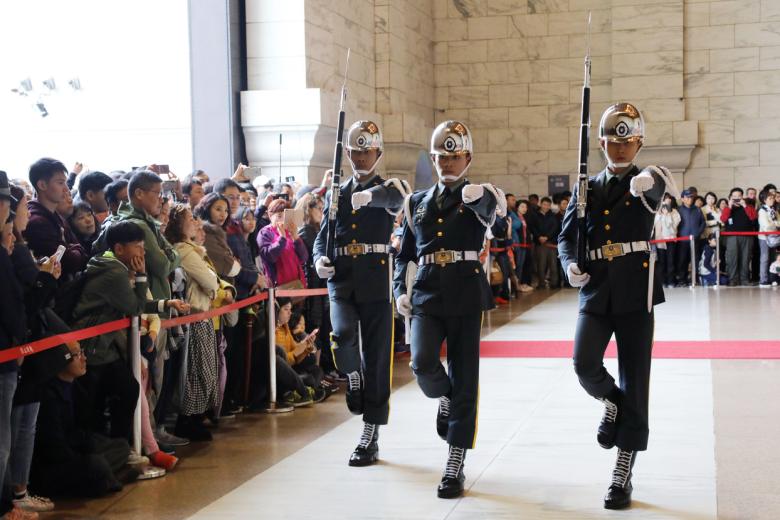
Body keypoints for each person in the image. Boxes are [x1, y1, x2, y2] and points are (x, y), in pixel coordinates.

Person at [558, 103, 669, 510]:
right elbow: (566, 236)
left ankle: (623, 470)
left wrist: (648, 182)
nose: (620, 148)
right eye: (613, 142)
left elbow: (660, 185)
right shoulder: (585, 187)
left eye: (628, 142)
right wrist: (569, 263)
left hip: (636, 289)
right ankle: (614, 403)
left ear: (638, 143)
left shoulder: (647, 180)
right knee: (584, 363)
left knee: (635, 376)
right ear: (601, 144)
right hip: (596, 287)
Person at [394, 120, 504, 499]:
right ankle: (445, 397)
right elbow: (405, 254)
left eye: (454, 157)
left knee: (465, 375)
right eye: (441, 157)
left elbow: (495, 210)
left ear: (467, 158)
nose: (447, 163)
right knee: (422, 362)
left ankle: (455, 460)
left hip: (465, 292)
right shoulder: (417, 202)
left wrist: (483, 198)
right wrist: (399, 289)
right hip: (427, 290)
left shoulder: (477, 196)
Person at [312, 120, 410, 467]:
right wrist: (319, 259)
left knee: (378, 358)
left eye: (366, 151)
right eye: (354, 151)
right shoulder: (336, 192)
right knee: (341, 336)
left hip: (375, 280)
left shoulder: (389, 187)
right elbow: (323, 236)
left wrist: (368, 197)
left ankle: (370, 433)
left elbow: (397, 198)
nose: (360, 157)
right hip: (341, 278)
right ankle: (352, 376)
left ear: (378, 152)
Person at [72, 221, 189, 442]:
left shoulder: (111, 264)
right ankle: (115, 448)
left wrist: (166, 304)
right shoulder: (114, 272)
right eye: (138, 246)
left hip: (104, 346)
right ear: (119, 248)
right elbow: (135, 307)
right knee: (101, 402)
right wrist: (142, 276)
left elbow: (133, 303)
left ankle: (119, 447)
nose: (143, 253)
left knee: (124, 390)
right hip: (93, 346)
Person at [29, 342, 139, 499]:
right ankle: (108, 479)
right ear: (62, 359)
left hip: (76, 448)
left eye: (82, 351)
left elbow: (84, 429)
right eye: (77, 355)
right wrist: (84, 455)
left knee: (122, 447)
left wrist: (89, 445)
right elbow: (55, 448)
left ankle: (105, 477)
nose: (84, 358)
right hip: (56, 463)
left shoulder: (76, 388)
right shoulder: (49, 397)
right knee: (95, 464)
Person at [24, 158, 89, 279]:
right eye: (60, 183)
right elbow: (69, 262)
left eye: (65, 182)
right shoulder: (37, 221)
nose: (66, 188)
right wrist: (74, 248)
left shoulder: (54, 214)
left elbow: (80, 250)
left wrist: (73, 248)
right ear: (42, 185)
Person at [258, 199, 307, 288]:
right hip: (278, 286)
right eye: (279, 216)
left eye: (286, 216)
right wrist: (282, 238)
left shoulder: (290, 231)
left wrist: (296, 237)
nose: (283, 220)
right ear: (270, 215)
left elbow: (303, 258)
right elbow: (270, 256)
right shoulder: (264, 232)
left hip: (297, 282)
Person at [720, 187, 758, 286]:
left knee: (746, 258)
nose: (737, 198)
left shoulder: (748, 206)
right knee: (732, 258)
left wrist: (744, 205)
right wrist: (729, 206)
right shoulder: (727, 208)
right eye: (734, 196)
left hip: (747, 236)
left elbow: (753, 217)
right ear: (730, 197)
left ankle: (744, 279)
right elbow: (723, 219)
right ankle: (733, 279)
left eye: (739, 196)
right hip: (731, 237)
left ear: (742, 197)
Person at [675, 189, 705, 286]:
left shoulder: (697, 209)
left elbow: (703, 223)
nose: (690, 199)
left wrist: (698, 233)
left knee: (695, 260)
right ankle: (682, 279)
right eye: (687, 197)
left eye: (691, 197)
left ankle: (694, 279)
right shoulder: (678, 210)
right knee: (682, 260)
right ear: (682, 199)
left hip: (695, 240)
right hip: (682, 240)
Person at [534, 197, 560, 288]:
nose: (546, 207)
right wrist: (539, 237)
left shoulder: (553, 216)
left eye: (548, 205)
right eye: (544, 204)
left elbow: (555, 228)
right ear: (540, 204)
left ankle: (554, 283)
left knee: (553, 265)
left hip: (551, 243)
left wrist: (547, 237)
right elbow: (533, 227)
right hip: (540, 243)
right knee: (541, 265)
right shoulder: (535, 215)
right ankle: (541, 283)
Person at [653, 202, 681, 287]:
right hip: (660, 241)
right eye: (663, 206)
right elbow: (654, 225)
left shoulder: (675, 213)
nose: (664, 207)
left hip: (671, 240)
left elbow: (673, 227)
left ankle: (671, 281)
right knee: (661, 261)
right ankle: (662, 281)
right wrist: (660, 214)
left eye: (667, 205)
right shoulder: (657, 214)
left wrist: (667, 215)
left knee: (671, 261)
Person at [758, 189, 780, 287]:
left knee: (772, 258)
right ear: (764, 200)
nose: (772, 200)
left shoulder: (774, 210)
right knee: (764, 258)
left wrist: (774, 224)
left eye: (773, 198)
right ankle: (763, 280)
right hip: (764, 237)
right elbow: (766, 226)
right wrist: (775, 224)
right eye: (770, 198)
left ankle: (772, 279)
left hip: (774, 237)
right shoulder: (762, 211)